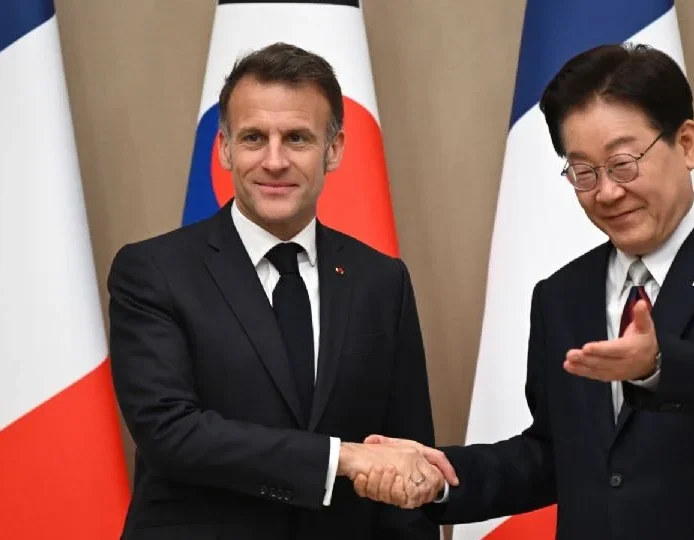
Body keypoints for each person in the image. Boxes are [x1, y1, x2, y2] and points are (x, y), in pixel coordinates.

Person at [355, 43, 694, 540]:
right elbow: (555, 455)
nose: (607, 192)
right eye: (583, 172)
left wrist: (656, 364)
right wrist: (441, 476)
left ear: (686, 144)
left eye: (623, 163)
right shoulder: (561, 295)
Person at [107, 42, 452, 540]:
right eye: (253, 138)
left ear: (333, 150)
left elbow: (405, 457)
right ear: (224, 148)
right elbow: (170, 432)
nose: (274, 161)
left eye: (296, 138)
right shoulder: (154, 271)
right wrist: (342, 458)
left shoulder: (382, 280)